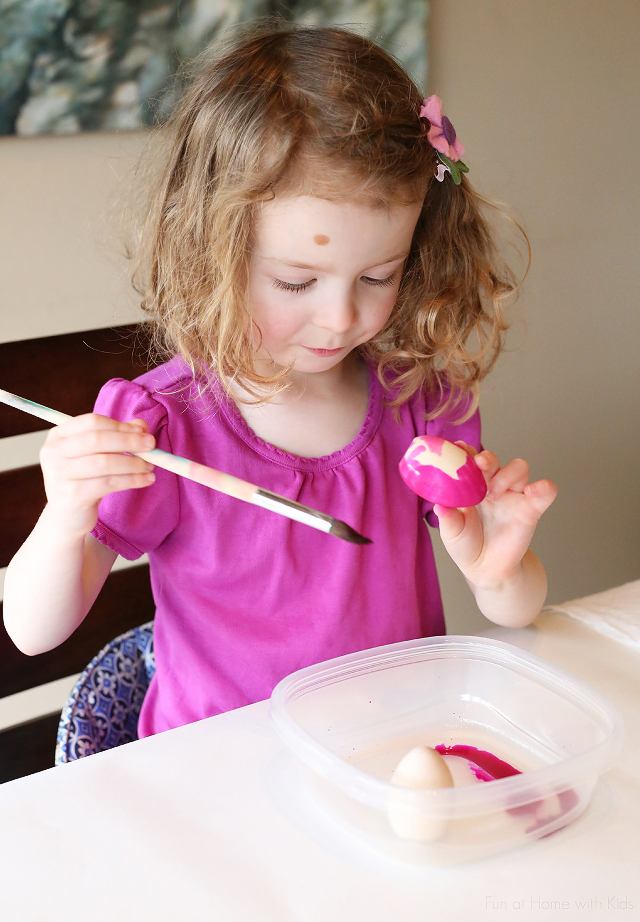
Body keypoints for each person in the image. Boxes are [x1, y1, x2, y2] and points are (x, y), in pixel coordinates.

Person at [3, 23, 557, 737]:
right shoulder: (162, 427)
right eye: (297, 281)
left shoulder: (417, 398)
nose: (341, 315)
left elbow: (517, 609)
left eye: (377, 275)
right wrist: (66, 513)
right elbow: (30, 630)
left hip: (387, 754)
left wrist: (497, 570)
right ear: (213, 252)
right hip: (220, 778)